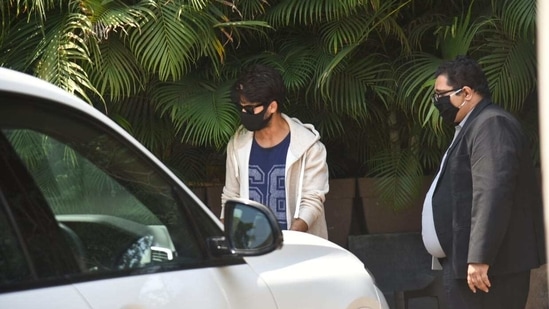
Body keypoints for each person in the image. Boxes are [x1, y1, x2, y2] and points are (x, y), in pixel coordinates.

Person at [421, 55, 546, 308]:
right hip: (473, 267)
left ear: (466, 92)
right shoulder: (475, 125)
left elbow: (491, 193)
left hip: (490, 271)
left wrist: (479, 258)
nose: (437, 102)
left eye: (441, 95)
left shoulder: (491, 125)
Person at [220, 64, 329, 238]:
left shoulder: (308, 147)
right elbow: (231, 196)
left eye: (249, 109)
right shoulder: (237, 144)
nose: (243, 113)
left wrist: (290, 238)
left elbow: (312, 201)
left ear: (272, 107)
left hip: (299, 252)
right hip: (251, 249)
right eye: (241, 107)